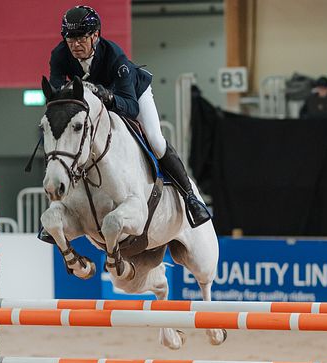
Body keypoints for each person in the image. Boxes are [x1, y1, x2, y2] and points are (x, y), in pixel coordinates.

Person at [45, 5, 210, 231]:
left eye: (81, 38)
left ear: (95, 35)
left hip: (130, 94)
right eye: (69, 38)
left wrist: (108, 97)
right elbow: (56, 93)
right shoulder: (60, 55)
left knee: (155, 139)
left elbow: (130, 107)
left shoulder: (115, 56)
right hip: (93, 106)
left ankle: (190, 198)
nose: (74, 44)